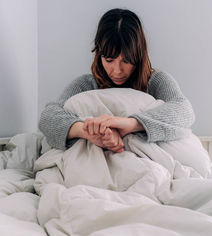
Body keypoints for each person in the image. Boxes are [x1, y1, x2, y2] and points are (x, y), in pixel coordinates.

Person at [39, 8, 195, 153]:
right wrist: (88, 131)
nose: (117, 70)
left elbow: (185, 112)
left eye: (126, 61)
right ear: (98, 55)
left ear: (139, 55)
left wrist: (128, 124)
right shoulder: (86, 84)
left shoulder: (156, 81)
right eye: (109, 59)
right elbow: (48, 117)